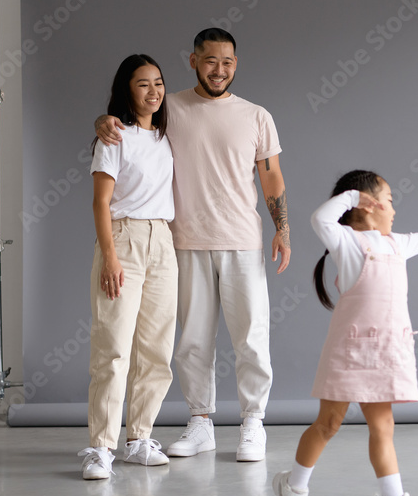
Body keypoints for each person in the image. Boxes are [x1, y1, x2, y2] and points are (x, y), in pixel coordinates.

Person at [95, 28, 289, 462]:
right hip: (183, 241)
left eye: (228, 62)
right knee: (192, 342)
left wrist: (283, 228)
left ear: (236, 64)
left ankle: (252, 423)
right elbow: (129, 126)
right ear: (193, 60)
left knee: (251, 337)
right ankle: (201, 422)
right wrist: (102, 121)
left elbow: (271, 176)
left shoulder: (257, 115)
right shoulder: (171, 108)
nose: (220, 70)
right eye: (210, 61)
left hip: (242, 240)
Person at [272, 170, 418, 496]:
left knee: (383, 426)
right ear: (367, 206)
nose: (394, 209)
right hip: (350, 350)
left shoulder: (397, 243)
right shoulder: (346, 241)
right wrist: (354, 197)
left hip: (387, 350)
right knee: (328, 424)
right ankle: (292, 488)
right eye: (388, 200)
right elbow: (318, 218)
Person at [79, 54, 178, 480]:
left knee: (156, 350)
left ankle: (138, 439)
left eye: (158, 82)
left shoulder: (167, 136)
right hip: (123, 238)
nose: (153, 91)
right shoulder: (113, 137)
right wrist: (111, 256)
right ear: (127, 89)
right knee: (114, 348)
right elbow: (101, 201)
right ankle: (101, 447)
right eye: (143, 84)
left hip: (163, 242)